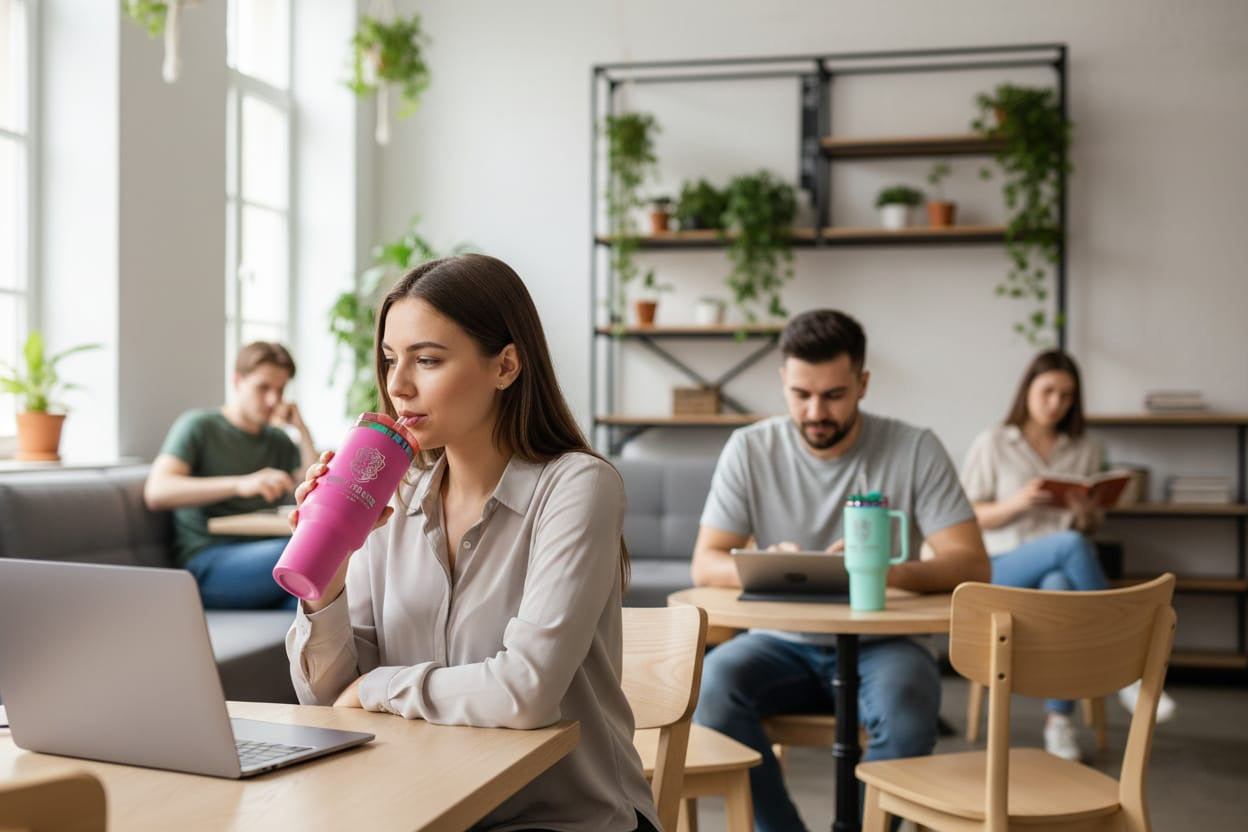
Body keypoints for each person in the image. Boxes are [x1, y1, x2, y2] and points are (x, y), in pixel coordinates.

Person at [285, 254, 658, 832]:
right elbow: (330, 699)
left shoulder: (578, 485)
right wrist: (331, 566)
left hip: (565, 817)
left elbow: (526, 691)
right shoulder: (393, 493)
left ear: (506, 365)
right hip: (422, 807)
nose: (398, 385)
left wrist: (380, 685)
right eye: (389, 360)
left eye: (427, 360)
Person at [690, 309, 991, 832]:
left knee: (909, 712)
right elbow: (706, 560)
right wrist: (774, 567)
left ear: (863, 384)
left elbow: (971, 563)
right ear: (782, 381)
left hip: (885, 643)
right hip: (781, 642)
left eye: (833, 395)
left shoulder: (914, 447)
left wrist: (880, 571)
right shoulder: (750, 447)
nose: (815, 412)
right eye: (800, 394)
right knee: (712, 689)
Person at [961, 349, 1176, 761]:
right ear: (1027, 391)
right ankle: (1127, 665)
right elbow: (968, 517)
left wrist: (1085, 514)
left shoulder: (1083, 447)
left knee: (1061, 580)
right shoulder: (992, 442)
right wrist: (1017, 503)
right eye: (1048, 392)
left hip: (1056, 569)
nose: (1056, 403)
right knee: (1073, 547)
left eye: (1066, 395)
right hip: (1001, 567)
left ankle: (1058, 723)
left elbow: (1088, 529)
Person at [144, 341, 317, 610]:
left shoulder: (278, 439)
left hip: (266, 560)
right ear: (237, 381)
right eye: (263, 388)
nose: (273, 400)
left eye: (280, 390)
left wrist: (302, 430)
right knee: (311, 550)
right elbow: (157, 492)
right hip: (209, 563)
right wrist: (241, 484)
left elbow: (316, 489)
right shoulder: (199, 426)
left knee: (319, 601)